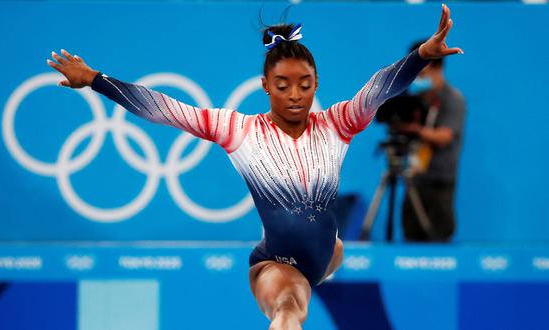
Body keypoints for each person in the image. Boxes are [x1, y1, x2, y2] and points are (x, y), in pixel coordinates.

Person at [47, 4, 461, 329]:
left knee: (334, 250)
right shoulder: (239, 130)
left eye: (304, 84)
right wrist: (97, 80)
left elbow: (378, 89)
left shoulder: (338, 123)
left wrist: (422, 55)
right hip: (277, 263)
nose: (295, 95)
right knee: (288, 309)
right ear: (265, 86)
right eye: (282, 86)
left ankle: (331, 258)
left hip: (324, 253)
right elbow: (164, 109)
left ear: (316, 83)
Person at [397, 38, 466, 243]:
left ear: (437, 68)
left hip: (439, 183)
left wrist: (415, 130)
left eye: (422, 74)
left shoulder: (453, 99)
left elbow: (444, 136)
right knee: (411, 238)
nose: (418, 79)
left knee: (438, 240)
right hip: (415, 179)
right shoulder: (415, 99)